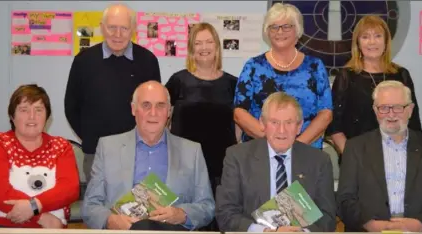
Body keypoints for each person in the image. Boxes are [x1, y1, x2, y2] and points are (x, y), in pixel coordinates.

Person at [81, 81, 214, 231]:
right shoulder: (108, 147)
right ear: (133, 109)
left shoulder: (192, 151)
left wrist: (182, 214)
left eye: (160, 106)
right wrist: (110, 220)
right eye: (146, 105)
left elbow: (207, 207)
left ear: (169, 111)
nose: (153, 113)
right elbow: (90, 206)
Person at [337, 80, 422, 232]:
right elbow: (345, 200)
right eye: (384, 108)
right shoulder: (355, 147)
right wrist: (370, 224)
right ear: (375, 110)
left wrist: (421, 224)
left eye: (398, 107)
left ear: (410, 110)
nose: (391, 114)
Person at [64, 3, 161, 182]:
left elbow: (156, 109)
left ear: (133, 29)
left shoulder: (148, 61)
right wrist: (91, 137)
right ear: (102, 28)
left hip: (140, 153)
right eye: (112, 28)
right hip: (96, 154)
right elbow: (71, 107)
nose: (117, 34)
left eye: (124, 28)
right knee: (99, 207)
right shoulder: (83, 62)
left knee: (140, 207)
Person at [216, 92, 336, 232]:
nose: (281, 130)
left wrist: (301, 232)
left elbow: (328, 218)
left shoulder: (319, 161)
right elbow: (225, 214)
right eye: (274, 122)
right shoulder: (237, 157)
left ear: (299, 126)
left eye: (289, 122)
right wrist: (265, 232)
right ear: (262, 123)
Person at [233, 3, 332, 149]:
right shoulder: (253, 66)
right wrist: (275, 143)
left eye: (287, 26)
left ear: (297, 30)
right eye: (274, 26)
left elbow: (325, 114)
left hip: (305, 152)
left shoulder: (315, 67)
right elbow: (239, 112)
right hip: (261, 152)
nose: (280, 31)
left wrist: (296, 147)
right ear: (267, 32)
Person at [0, 84, 79, 228]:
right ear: (12, 116)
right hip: (1, 225)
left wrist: (34, 205)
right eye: (24, 110)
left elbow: (69, 189)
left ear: (47, 116)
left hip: (51, 230)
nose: (32, 116)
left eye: (39, 110)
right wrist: (39, 215)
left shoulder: (61, 146)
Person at [326, 15, 422, 155]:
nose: (372, 42)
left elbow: (413, 122)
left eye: (377, 36)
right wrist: (351, 158)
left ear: (386, 41)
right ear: (357, 43)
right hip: (359, 157)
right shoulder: (346, 76)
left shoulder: (401, 75)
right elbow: (335, 128)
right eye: (365, 37)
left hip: (398, 156)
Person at [166, 22, 238, 195]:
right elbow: (163, 118)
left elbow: (239, 127)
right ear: (191, 49)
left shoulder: (233, 83)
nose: (204, 47)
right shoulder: (178, 81)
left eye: (209, 42)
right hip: (184, 165)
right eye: (198, 43)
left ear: (217, 46)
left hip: (221, 167)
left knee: (219, 218)